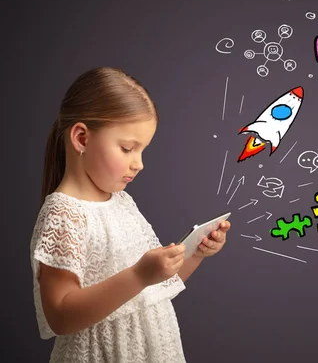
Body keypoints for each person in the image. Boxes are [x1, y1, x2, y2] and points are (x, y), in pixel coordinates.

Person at [30, 66, 231, 362]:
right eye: (127, 148)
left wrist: (195, 253)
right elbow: (60, 315)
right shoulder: (64, 213)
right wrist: (139, 275)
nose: (139, 164)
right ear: (82, 139)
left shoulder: (122, 202)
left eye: (142, 151)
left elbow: (152, 288)